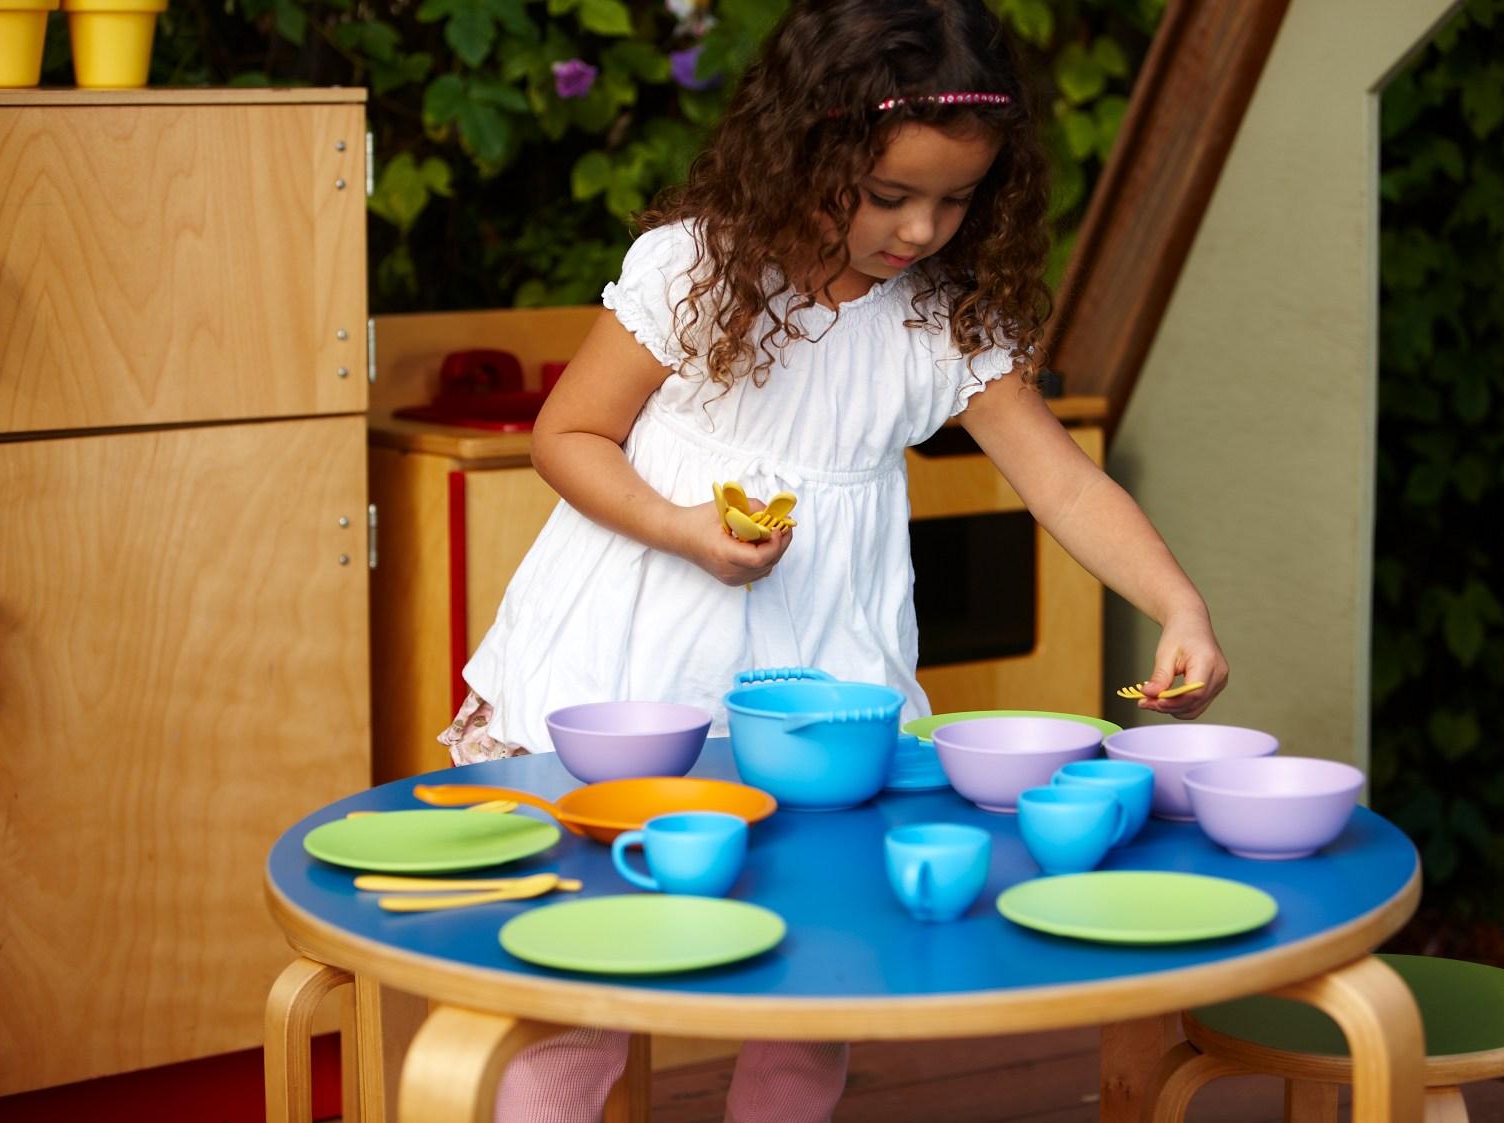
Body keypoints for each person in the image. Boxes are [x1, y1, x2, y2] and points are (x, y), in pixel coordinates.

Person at [440, 0, 1229, 1118]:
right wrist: (683, 528)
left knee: (817, 977)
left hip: (823, 688)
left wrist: (1177, 605)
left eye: (956, 200)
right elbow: (566, 435)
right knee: (586, 985)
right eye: (887, 194)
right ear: (806, 148)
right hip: (637, 665)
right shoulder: (696, 269)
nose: (921, 230)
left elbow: (1062, 483)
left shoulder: (941, 320)